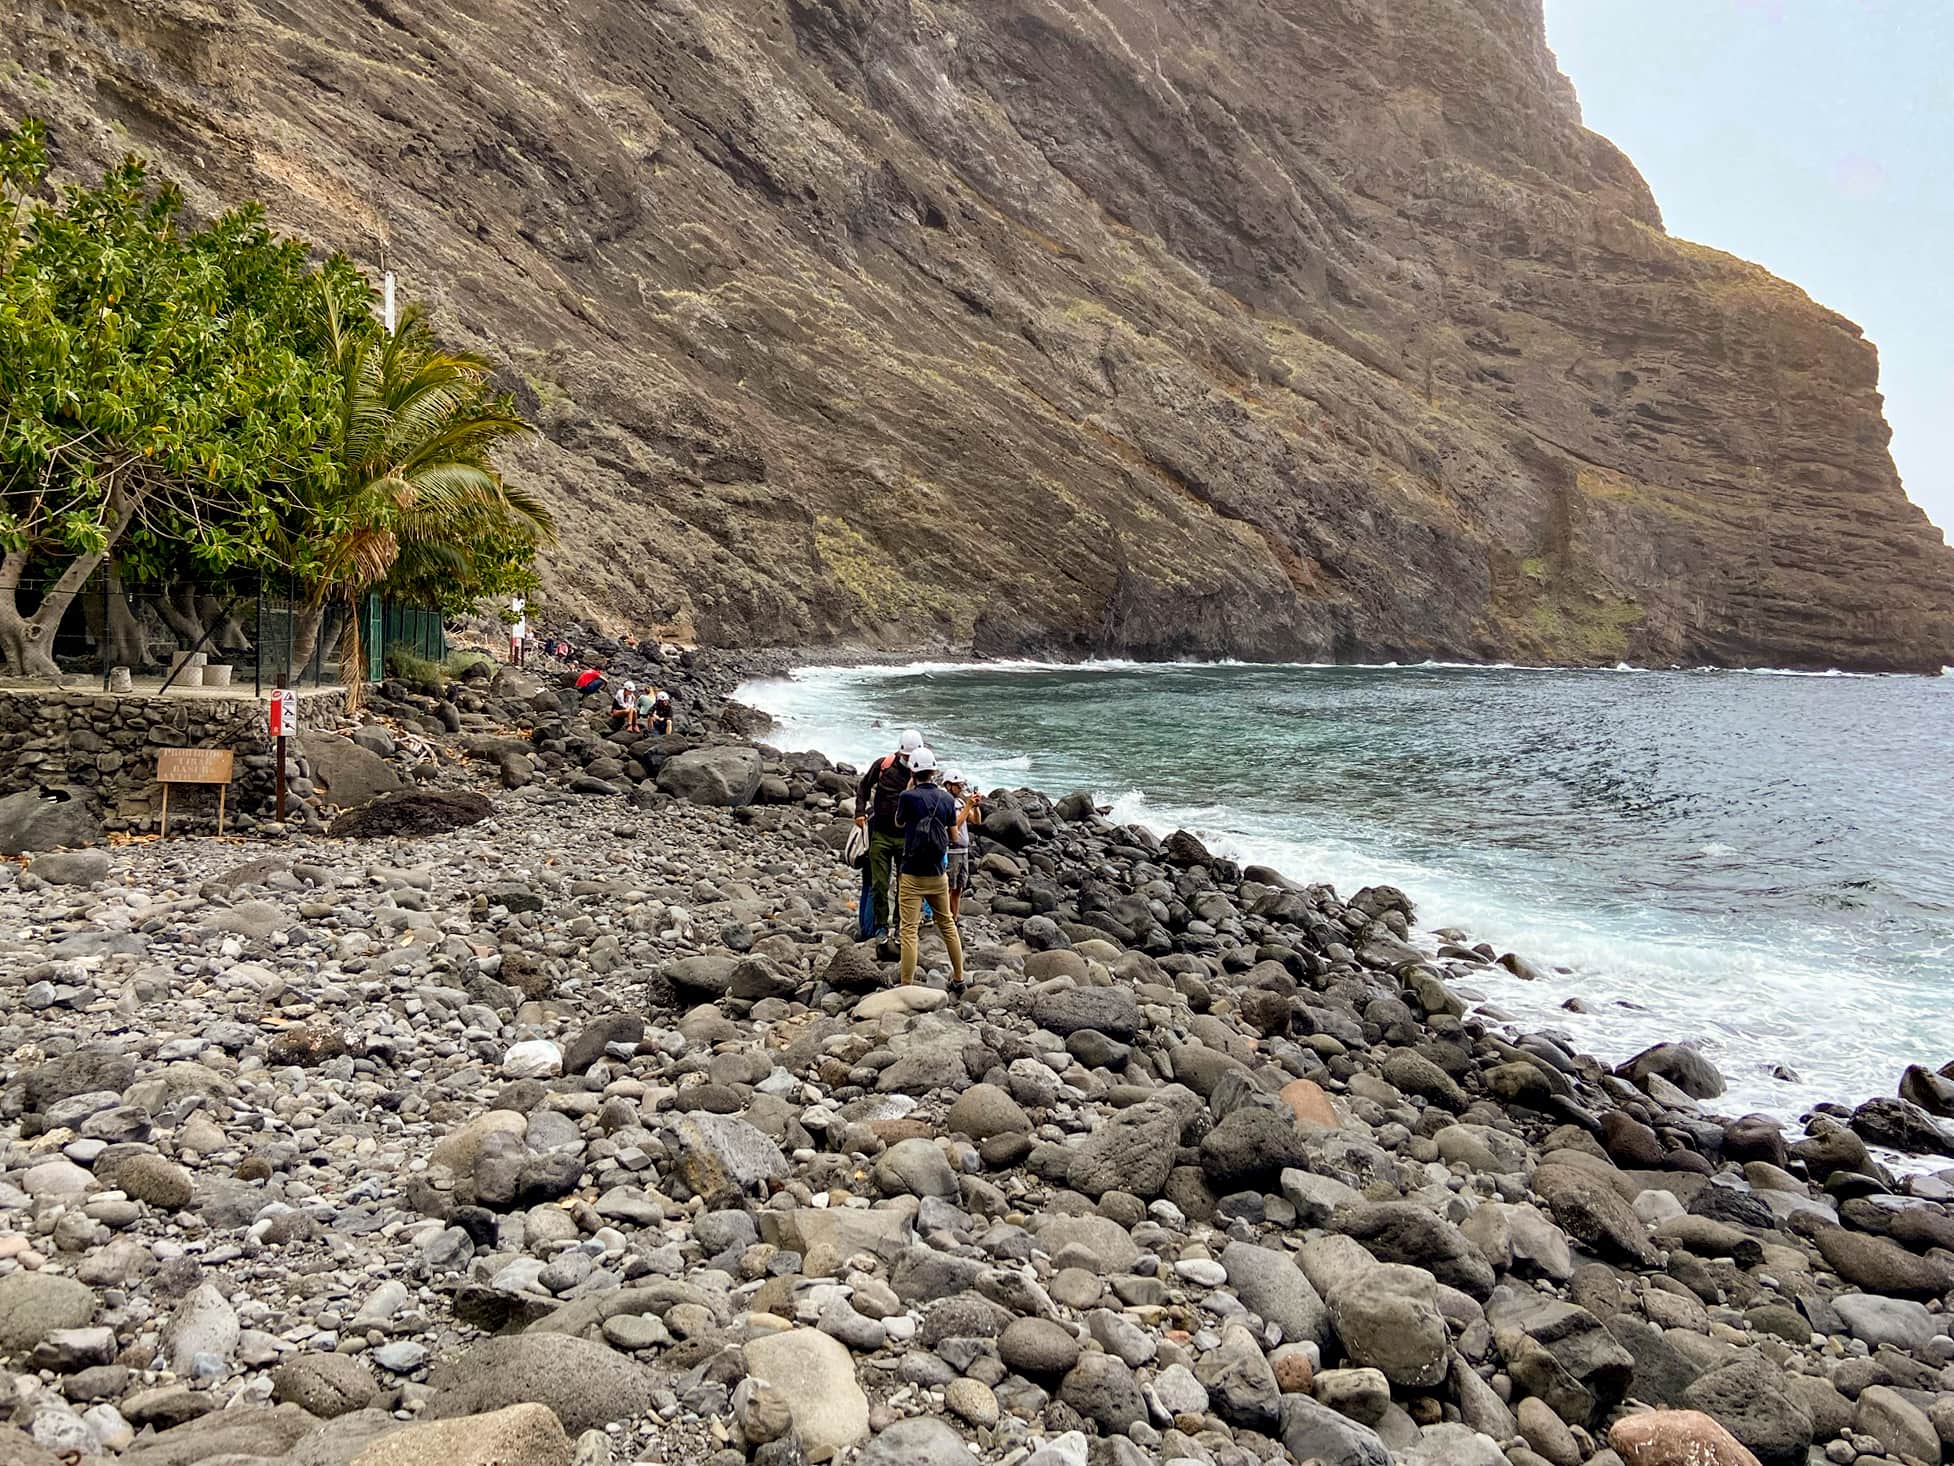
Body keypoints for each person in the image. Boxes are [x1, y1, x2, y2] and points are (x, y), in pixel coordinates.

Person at [894, 746, 965, 989]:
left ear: (913, 772)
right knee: (947, 924)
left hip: (912, 873)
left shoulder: (908, 797)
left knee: (909, 930)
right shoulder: (947, 799)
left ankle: (906, 985)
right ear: (934, 772)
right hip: (938, 873)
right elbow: (954, 837)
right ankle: (959, 978)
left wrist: (908, 790)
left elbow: (899, 822)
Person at [854, 727, 922, 940]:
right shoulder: (883, 766)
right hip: (880, 835)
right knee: (879, 884)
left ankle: (900, 924)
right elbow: (863, 787)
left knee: (905, 886)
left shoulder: (922, 773)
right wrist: (859, 812)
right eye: (906, 757)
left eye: (912, 757)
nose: (909, 760)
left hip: (906, 838)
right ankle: (879, 926)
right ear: (900, 753)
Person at [943, 769, 982, 920]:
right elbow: (954, 826)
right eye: (958, 786)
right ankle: (945, 919)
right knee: (948, 887)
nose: (961, 789)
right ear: (948, 786)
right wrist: (967, 807)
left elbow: (977, 821)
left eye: (962, 785)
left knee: (958, 887)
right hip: (951, 851)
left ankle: (955, 917)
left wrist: (976, 806)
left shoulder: (959, 801)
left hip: (963, 851)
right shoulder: (947, 803)